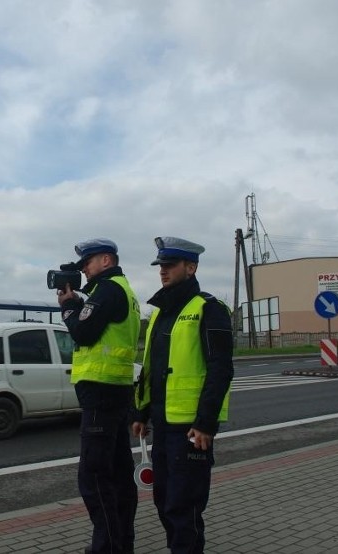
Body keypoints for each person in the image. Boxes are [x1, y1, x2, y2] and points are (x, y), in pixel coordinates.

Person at [131, 237, 234, 554]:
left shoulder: (209, 309)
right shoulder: (160, 314)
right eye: (160, 266)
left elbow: (220, 370)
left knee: (183, 508)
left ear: (191, 268)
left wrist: (205, 424)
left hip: (191, 430)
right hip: (163, 425)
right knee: (165, 502)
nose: (163, 271)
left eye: (169, 265)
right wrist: (141, 413)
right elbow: (152, 368)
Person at [57, 238, 141, 554]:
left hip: (102, 393)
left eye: (87, 263)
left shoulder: (109, 290)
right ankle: (123, 545)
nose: (84, 271)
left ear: (106, 260)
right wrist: (79, 306)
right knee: (119, 476)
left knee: (93, 478)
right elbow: (97, 328)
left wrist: (68, 308)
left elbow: (84, 332)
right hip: (116, 391)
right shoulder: (124, 291)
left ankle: (107, 548)